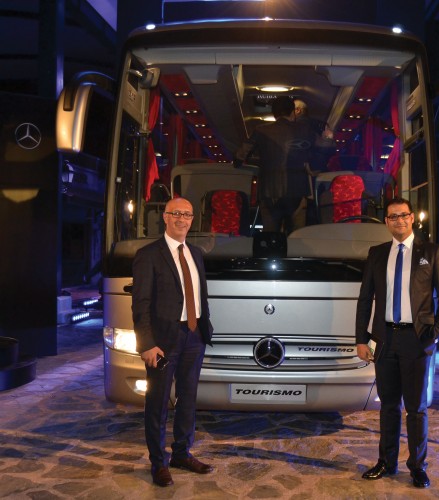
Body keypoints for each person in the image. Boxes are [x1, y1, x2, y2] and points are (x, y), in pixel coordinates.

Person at [355, 197, 439, 489]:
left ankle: (418, 467)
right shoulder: (377, 254)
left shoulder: (431, 252)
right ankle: (386, 462)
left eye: (403, 215)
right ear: (386, 222)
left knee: (416, 408)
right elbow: (365, 299)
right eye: (392, 217)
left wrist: (434, 334)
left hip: (416, 340)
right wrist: (361, 339)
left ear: (412, 218)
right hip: (384, 339)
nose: (398, 220)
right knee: (388, 406)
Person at [132, 197, 214, 487]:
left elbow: (199, 295)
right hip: (163, 342)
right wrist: (146, 344)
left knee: (188, 399)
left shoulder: (196, 253)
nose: (182, 219)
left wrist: (204, 328)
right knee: (157, 402)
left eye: (187, 214)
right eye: (176, 213)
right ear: (165, 217)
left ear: (192, 220)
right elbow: (140, 303)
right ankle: (158, 463)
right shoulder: (148, 255)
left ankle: (181, 453)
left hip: (194, 336)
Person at [234, 96, 313, 233]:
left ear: (274, 114)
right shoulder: (305, 130)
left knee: (270, 234)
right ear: (292, 112)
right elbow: (320, 152)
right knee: (296, 235)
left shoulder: (260, 130)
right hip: (297, 190)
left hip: (269, 191)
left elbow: (240, 156)